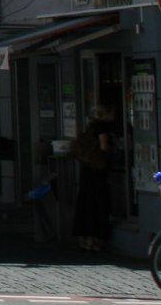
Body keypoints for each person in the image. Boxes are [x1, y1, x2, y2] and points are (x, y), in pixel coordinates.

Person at [73, 105, 116, 251]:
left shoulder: (90, 126)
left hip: (87, 168)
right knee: (97, 203)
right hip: (98, 169)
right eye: (112, 111)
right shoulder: (102, 126)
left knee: (86, 202)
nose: (114, 115)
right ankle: (94, 239)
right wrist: (114, 149)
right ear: (105, 113)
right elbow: (104, 146)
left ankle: (85, 239)